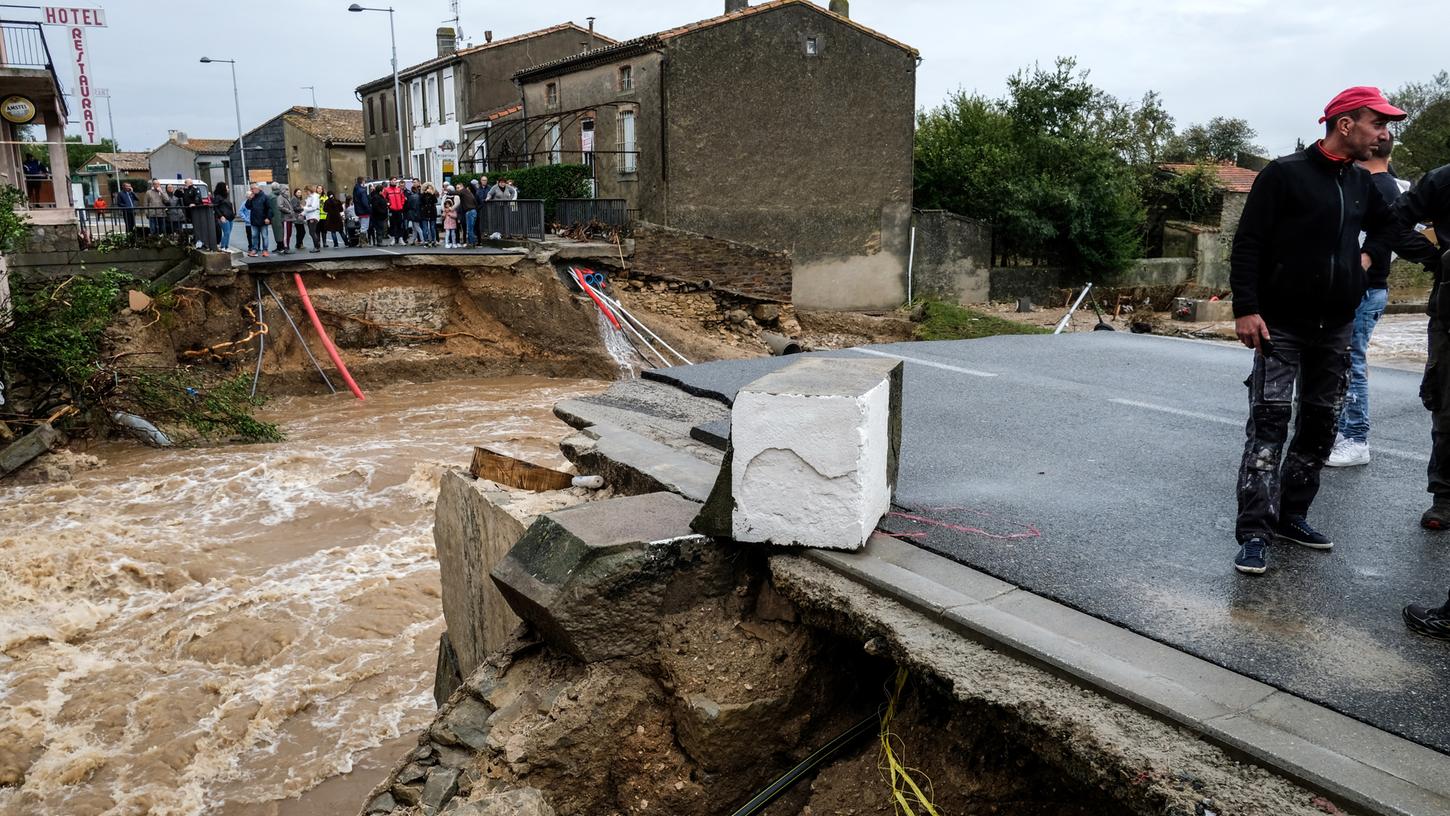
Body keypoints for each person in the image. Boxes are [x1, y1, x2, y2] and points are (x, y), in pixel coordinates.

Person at [1228, 87, 1439, 576]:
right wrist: (1246, 309)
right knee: (1268, 428)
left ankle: (1292, 517)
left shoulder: (1361, 183)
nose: (1384, 134)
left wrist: (1416, 260)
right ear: (1346, 124)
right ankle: (1255, 532)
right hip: (1280, 326)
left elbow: (1394, 227)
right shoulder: (1284, 175)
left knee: (1320, 426)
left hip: (1336, 327)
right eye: (1377, 123)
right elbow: (1249, 244)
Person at [1327, 135, 1414, 467]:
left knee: (1351, 361)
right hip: (1367, 285)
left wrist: (1360, 263)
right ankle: (1343, 432)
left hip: (1365, 286)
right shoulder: (1390, 184)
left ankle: (1356, 438)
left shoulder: (1377, 187)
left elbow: (1382, 237)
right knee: (1344, 359)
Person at [1387, 163, 1450, 527]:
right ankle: (1445, 496)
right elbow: (1391, 222)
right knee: (1447, 402)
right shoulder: (1443, 180)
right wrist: (1435, 258)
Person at [246, 183, 271, 257]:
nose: (251, 191)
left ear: (258, 188)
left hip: (263, 220)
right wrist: (249, 199)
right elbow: (247, 207)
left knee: (264, 236)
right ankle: (254, 249)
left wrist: (268, 218)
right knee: (254, 236)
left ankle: (265, 250)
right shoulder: (252, 197)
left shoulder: (265, 197)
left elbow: (269, 208)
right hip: (254, 220)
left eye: (252, 189)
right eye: (251, 189)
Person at [270, 183, 291, 255]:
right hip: (280, 217)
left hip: (275, 217)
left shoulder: (272, 196)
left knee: (279, 233)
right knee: (282, 233)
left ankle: (280, 247)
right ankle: (282, 247)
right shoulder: (277, 197)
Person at [213, 182, 235, 251]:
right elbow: (215, 207)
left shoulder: (225, 197)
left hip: (229, 217)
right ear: (223, 188)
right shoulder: (218, 197)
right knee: (227, 232)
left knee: (228, 233)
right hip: (224, 217)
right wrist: (221, 216)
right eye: (227, 187)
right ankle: (224, 247)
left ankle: (225, 246)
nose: (228, 189)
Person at [384, 178, 406, 245]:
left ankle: (400, 238)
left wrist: (401, 205)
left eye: (395, 180)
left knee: (400, 224)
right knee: (393, 224)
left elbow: (403, 198)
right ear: (390, 181)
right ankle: (393, 238)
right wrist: (388, 204)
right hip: (392, 210)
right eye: (393, 180)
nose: (395, 181)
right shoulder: (386, 190)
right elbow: (384, 198)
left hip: (399, 209)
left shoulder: (399, 190)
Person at [301, 185, 322, 252]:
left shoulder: (314, 196)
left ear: (309, 190)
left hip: (313, 216)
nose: (306, 193)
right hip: (310, 216)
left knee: (312, 232)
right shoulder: (310, 197)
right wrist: (302, 213)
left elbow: (313, 207)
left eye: (306, 191)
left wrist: (303, 208)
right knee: (312, 232)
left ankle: (317, 247)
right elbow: (307, 207)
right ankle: (317, 246)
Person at [352, 176, 371, 245]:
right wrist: (369, 209)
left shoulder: (355, 189)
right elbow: (365, 202)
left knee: (362, 226)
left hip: (358, 210)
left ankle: (364, 241)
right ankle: (362, 242)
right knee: (364, 227)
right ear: (362, 181)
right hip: (364, 211)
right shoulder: (362, 190)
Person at [459, 179, 477, 246]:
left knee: (470, 229)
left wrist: (449, 192)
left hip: (470, 212)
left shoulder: (469, 195)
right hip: (472, 212)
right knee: (470, 228)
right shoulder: (471, 195)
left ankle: (471, 243)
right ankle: (471, 242)